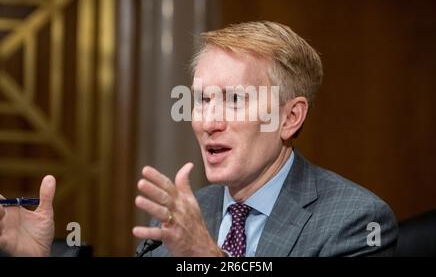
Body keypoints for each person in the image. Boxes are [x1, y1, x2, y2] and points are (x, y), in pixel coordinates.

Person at [0, 21, 398, 257]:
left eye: (235, 100)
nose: (209, 121)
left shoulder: (354, 222)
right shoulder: (179, 216)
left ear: (288, 117)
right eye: (203, 100)